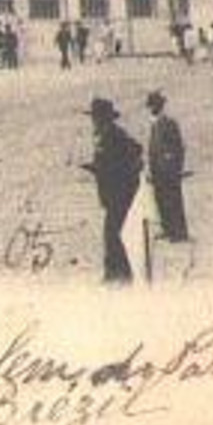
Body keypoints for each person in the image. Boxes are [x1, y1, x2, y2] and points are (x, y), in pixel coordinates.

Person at [81, 98, 143, 285]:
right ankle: (117, 272)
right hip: (114, 192)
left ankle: (119, 274)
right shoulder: (108, 135)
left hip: (120, 192)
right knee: (113, 233)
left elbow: (134, 151)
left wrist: (105, 168)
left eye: (96, 118)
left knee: (113, 233)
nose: (94, 122)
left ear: (104, 119)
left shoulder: (114, 135)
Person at [145, 91, 190, 243]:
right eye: (151, 106)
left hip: (169, 170)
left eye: (155, 106)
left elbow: (179, 147)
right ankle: (168, 229)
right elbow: (153, 149)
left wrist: (175, 164)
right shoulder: (155, 123)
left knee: (173, 200)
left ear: (160, 106)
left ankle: (179, 232)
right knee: (161, 200)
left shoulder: (169, 122)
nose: (153, 109)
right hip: (158, 169)